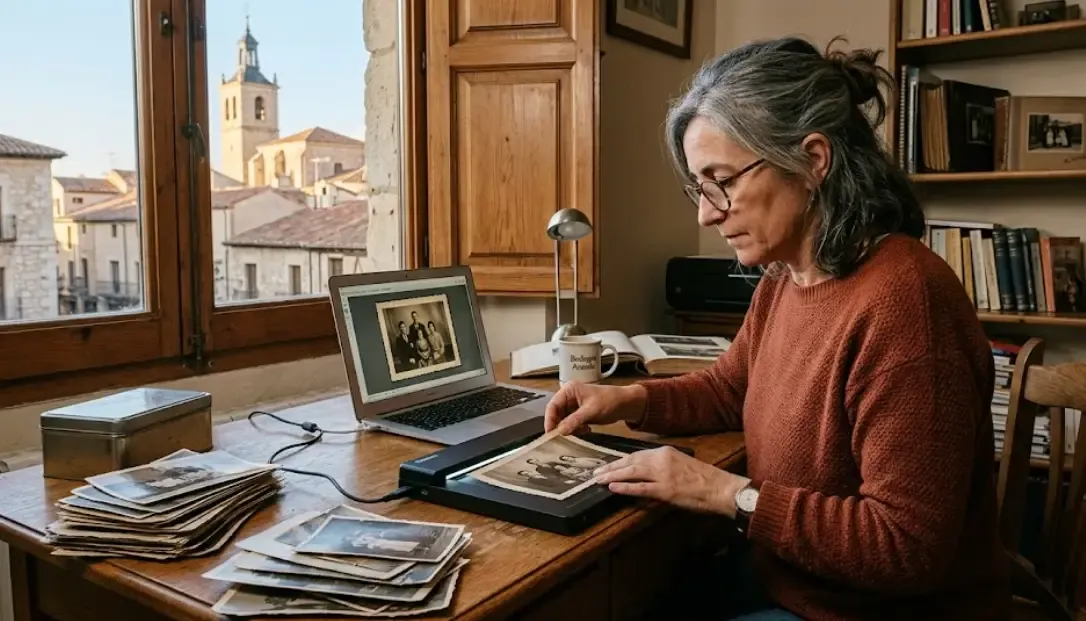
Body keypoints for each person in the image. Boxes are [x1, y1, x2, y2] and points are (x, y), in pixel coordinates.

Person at [543, 36, 1009, 621]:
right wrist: (627, 398)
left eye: (722, 180)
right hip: (789, 583)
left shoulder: (907, 303)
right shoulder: (788, 278)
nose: (705, 212)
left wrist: (720, 492)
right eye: (698, 185)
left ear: (813, 160)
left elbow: (905, 549)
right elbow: (728, 390)